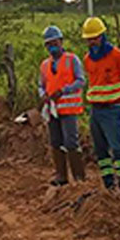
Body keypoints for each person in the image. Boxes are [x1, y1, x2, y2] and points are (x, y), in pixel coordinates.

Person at [81, 16, 120, 193]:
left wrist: (119, 103)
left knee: (118, 149)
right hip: (95, 110)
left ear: (103, 36)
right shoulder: (87, 59)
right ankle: (108, 184)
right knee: (101, 151)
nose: (92, 42)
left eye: (95, 38)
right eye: (89, 39)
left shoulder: (118, 56)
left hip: (112, 110)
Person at [39, 25, 87, 185]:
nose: (52, 47)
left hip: (69, 108)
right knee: (55, 141)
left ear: (61, 41)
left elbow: (81, 81)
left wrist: (64, 91)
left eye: (54, 43)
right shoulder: (45, 65)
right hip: (53, 110)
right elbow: (41, 85)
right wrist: (43, 95)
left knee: (71, 142)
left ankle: (79, 178)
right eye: (49, 44)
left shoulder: (72, 60)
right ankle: (61, 176)